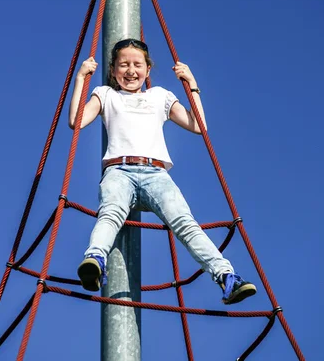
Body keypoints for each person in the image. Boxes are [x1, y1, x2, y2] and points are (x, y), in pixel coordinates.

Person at [69, 38, 257, 305]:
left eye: (137, 65)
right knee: (110, 214)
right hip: (118, 170)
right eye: (123, 65)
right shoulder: (106, 94)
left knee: (184, 222)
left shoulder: (160, 96)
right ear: (113, 71)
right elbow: (76, 121)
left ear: (147, 70)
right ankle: (95, 260)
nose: (130, 71)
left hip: (155, 173)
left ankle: (226, 275)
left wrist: (191, 84)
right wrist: (80, 78)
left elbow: (199, 125)